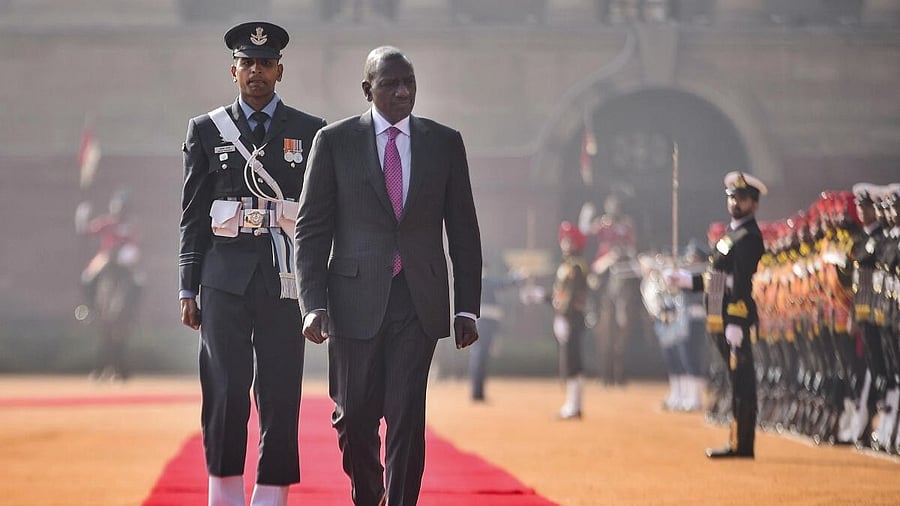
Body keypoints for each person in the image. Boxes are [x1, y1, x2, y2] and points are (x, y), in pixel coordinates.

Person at [294, 46, 482, 506]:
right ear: (367, 90)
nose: (403, 91)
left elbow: (463, 228)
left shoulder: (444, 142)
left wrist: (467, 307)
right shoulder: (334, 142)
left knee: (406, 417)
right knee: (354, 417)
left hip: (418, 303)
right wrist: (312, 304)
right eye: (391, 83)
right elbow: (311, 229)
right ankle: (369, 493)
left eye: (409, 83)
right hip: (352, 302)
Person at [178, 21, 326, 506]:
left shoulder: (310, 132)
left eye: (265, 63)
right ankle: (223, 493)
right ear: (233, 70)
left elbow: (319, 219)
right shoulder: (206, 130)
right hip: (222, 279)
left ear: (280, 70)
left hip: (285, 279)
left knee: (281, 390)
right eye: (247, 63)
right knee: (224, 389)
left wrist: (318, 291)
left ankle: (271, 494)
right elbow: (193, 214)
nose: (256, 72)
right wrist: (187, 287)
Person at [669, 171, 767, 458]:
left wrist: (736, 320)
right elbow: (718, 278)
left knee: (742, 381)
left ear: (754, 204)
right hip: (718, 316)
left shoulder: (749, 237)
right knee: (735, 379)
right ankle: (737, 439)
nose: (736, 202)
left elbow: (742, 283)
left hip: (732, 318)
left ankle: (743, 443)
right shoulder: (730, 233)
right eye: (733, 198)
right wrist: (687, 281)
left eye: (742, 198)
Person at [75, 189, 143, 380]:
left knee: (139, 281)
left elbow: (135, 246)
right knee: (87, 277)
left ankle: (134, 309)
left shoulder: (130, 227)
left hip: (124, 263)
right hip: (106, 259)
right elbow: (86, 231)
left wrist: (127, 254)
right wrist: (82, 215)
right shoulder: (106, 223)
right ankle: (88, 307)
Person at [588, 193, 638, 386]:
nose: (614, 209)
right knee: (595, 280)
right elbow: (589, 234)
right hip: (605, 260)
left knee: (635, 280)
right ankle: (592, 311)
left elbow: (633, 243)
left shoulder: (627, 224)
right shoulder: (602, 223)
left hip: (623, 262)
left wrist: (626, 253)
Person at [552, 221, 590, 419]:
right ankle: (571, 403)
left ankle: (574, 405)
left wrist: (563, 317)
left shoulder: (576, 265)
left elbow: (572, 294)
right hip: (565, 317)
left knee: (573, 361)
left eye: (570, 240)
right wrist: (541, 297)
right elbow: (559, 295)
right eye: (564, 240)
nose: (566, 243)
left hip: (573, 318)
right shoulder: (566, 265)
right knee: (568, 361)